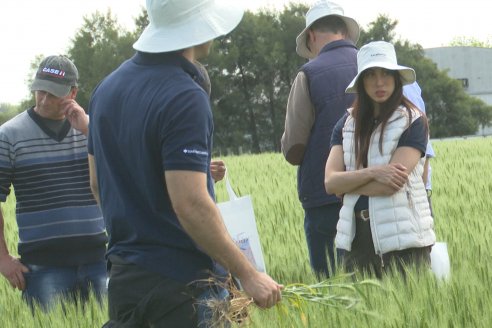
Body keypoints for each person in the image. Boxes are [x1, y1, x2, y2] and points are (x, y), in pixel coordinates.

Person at [87, 0, 282, 326]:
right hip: (183, 288)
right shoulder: (184, 95)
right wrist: (247, 274)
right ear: (197, 27)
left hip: (124, 281)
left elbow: (97, 185)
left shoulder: (106, 90)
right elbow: (191, 203)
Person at [0, 55, 107, 310]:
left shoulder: (93, 130)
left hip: (99, 261)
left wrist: (89, 130)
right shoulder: (8, 135)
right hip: (42, 268)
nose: (44, 99)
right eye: (41, 90)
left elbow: (126, 170)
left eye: (54, 93)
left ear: (73, 92)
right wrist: (2, 258)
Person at [324, 41, 436, 278]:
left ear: (396, 78)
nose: (379, 82)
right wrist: (373, 172)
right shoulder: (345, 125)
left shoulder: (413, 121)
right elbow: (330, 182)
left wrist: (349, 185)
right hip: (357, 241)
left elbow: (390, 184)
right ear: (361, 82)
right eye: (371, 74)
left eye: (386, 73)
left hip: (405, 240)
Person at [281, 0, 359, 278]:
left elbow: (294, 147)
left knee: (331, 287)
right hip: (376, 196)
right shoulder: (382, 70)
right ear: (346, 32)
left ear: (312, 36)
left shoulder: (309, 74)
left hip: (325, 198)